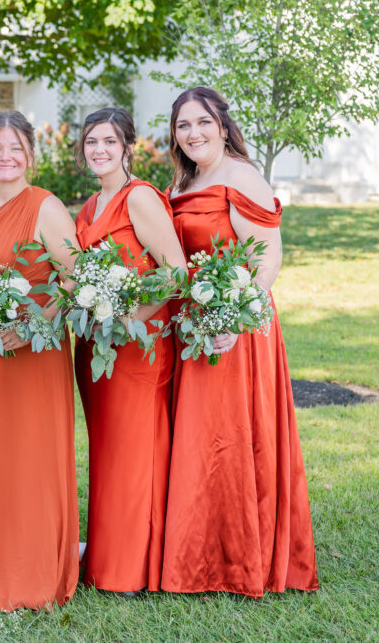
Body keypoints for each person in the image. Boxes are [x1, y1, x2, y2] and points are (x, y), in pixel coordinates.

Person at [161, 86, 319, 597]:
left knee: (229, 440)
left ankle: (238, 560)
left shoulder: (241, 176)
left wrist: (232, 317)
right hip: (192, 327)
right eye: (183, 126)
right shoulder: (186, 180)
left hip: (236, 329)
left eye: (202, 122)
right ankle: (198, 554)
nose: (193, 133)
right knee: (199, 439)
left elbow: (267, 259)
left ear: (224, 126)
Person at [73, 108, 186, 594]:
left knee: (135, 451)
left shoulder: (138, 199)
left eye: (108, 142)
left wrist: (130, 321)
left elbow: (176, 272)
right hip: (94, 350)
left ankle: (132, 568)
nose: (99, 150)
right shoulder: (87, 208)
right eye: (91, 142)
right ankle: (105, 557)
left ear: (127, 147)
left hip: (137, 348)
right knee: (107, 453)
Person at [0, 110, 80, 610]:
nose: (5, 157)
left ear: (30, 155)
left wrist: (33, 326)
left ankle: (35, 572)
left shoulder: (47, 207)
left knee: (33, 455)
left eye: (15, 148)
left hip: (36, 350)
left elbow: (74, 282)